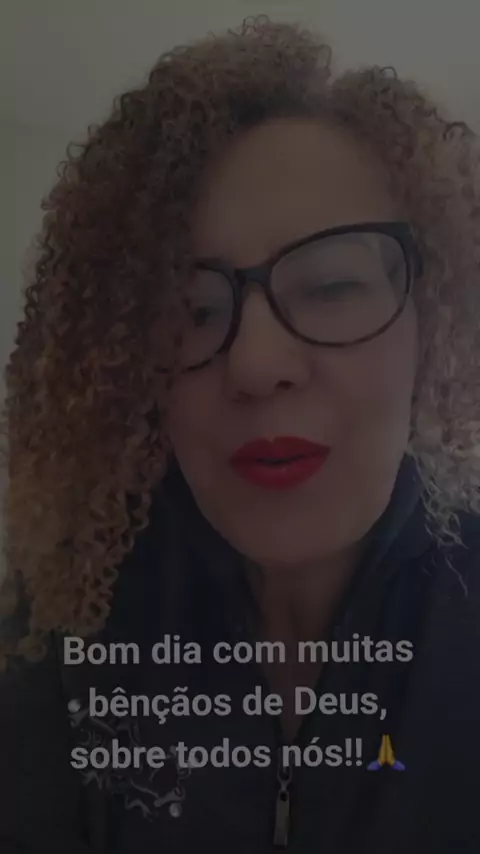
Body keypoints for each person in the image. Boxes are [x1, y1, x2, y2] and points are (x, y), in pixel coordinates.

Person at [1, 16, 479, 854]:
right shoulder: (58, 637)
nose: (256, 363)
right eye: (190, 310)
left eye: (330, 287)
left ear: (431, 324)